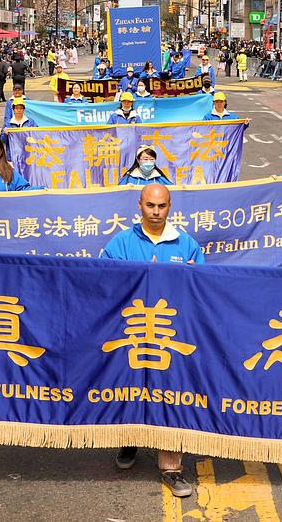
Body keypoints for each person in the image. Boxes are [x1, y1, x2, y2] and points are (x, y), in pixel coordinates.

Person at [100, 183, 203, 498]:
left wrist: (191, 277)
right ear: (139, 205)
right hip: (132, 336)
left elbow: (203, 290)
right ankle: (130, 440)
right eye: (150, 206)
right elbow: (101, 278)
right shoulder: (122, 242)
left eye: (161, 206)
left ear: (169, 206)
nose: (156, 212)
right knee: (130, 391)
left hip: (170, 339)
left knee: (171, 397)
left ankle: (172, 469)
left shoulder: (185, 244)